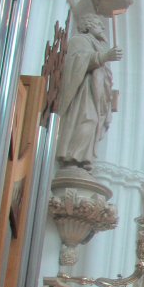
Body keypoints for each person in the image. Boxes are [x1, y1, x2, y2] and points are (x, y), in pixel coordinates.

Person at [57, 13, 122, 170]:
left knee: (93, 122)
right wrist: (104, 57)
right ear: (87, 26)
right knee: (88, 119)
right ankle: (72, 156)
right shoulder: (78, 40)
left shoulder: (98, 45)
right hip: (83, 91)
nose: (102, 27)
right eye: (98, 24)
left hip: (96, 93)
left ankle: (83, 158)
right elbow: (76, 62)